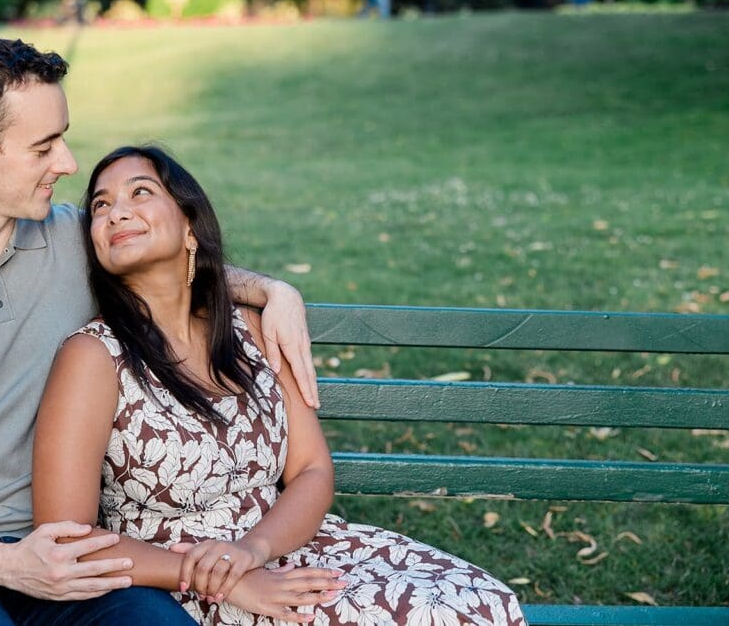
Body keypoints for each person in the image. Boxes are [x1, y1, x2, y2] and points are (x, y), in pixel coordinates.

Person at [0, 35, 318, 625]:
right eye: (44, 146)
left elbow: (172, 265)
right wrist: (1, 564)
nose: (68, 163)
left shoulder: (70, 243)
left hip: (74, 555)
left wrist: (272, 291)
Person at [33, 145, 528, 625]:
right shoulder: (94, 356)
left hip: (282, 547)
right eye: (101, 205)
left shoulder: (248, 330)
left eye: (140, 193)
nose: (116, 212)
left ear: (189, 226)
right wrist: (222, 577)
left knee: (481, 602)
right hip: (172, 581)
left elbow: (312, 469)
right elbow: (66, 541)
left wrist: (255, 549)